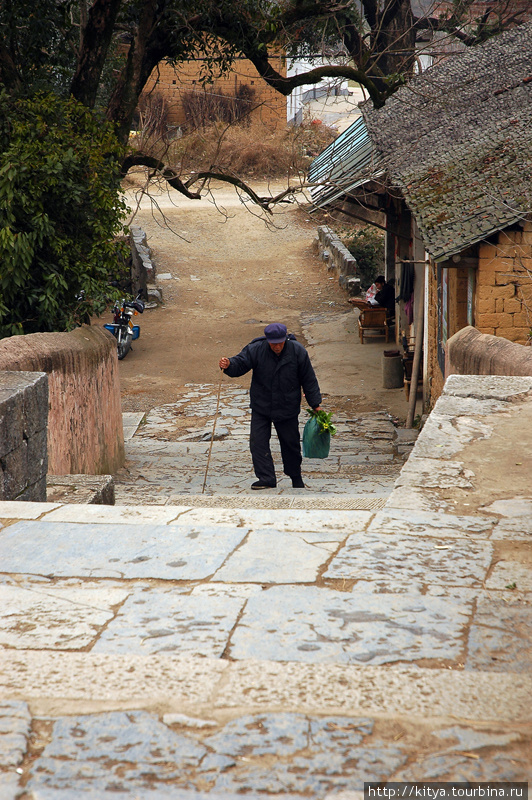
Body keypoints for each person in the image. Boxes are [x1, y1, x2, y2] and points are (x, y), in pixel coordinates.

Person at [219, 323, 322, 490]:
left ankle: (295, 477)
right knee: (257, 442)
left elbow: (308, 379)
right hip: (262, 405)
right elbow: (241, 363)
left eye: (280, 343)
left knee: (290, 444)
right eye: (273, 343)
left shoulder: (297, 351)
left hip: (287, 406)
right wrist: (229, 364)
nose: (277, 347)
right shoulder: (256, 349)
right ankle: (266, 478)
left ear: (285, 340)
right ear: (268, 340)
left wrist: (315, 404)